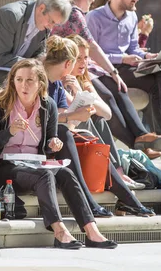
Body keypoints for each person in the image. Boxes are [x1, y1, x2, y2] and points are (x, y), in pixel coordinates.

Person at [0, 58, 117, 249]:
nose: (23, 85)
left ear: (40, 83)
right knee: (44, 175)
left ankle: (92, 231)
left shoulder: (47, 105)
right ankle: (59, 231)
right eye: (18, 80)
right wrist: (8, 133)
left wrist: (53, 144)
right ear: (12, 81)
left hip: (34, 165)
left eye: (29, 80)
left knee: (66, 174)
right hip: (1, 168)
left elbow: (49, 142)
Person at [50, 0, 161, 157]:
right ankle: (138, 144)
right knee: (106, 95)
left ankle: (141, 137)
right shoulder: (75, 13)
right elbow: (93, 47)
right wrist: (114, 71)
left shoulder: (72, 11)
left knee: (116, 90)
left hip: (81, 68)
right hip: (75, 70)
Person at [44, 36, 155, 218]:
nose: (82, 64)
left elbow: (99, 113)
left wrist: (74, 114)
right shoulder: (41, 80)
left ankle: (126, 199)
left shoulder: (56, 82)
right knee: (70, 133)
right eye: (78, 60)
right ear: (68, 64)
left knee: (87, 133)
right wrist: (72, 116)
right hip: (40, 140)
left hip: (57, 137)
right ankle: (98, 200)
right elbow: (41, 120)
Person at [86, 0, 161, 155]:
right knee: (155, 79)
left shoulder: (131, 17)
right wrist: (121, 59)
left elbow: (133, 48)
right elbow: (91, 54)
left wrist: (147, 56)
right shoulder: (94, 18)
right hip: (107, 71)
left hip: (129, 68)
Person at [66, 34, 161, 163]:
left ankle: (131, 152)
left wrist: (82, 92)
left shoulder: (83, 80)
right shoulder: (61, 83)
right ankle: (135, 148)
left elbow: (107, 113)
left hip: (85, 131)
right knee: (99, 117)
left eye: (86, 58)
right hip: (70, 134)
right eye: (78, 58)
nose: (83, 62)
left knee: (112, 100)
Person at [0, 0, 71, 86]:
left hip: (15, 69)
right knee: (29, 82)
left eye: (55, 24)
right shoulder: (10, 15)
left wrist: (44, 60)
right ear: (41, 8)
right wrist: (34, 64)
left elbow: (37, 55)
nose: (51, 27)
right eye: (51, 21)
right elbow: (1, 57)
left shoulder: (45, 25)